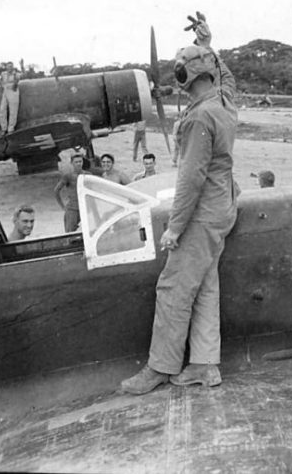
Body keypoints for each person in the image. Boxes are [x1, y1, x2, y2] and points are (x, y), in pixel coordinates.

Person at [121, 42, 238, 395]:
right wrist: (209, 44)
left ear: (187, 75)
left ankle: (160, 366)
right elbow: (228, 78)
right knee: (204, 285)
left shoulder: (200, 116)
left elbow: (191, 178)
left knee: (173, 289)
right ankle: (204, 364)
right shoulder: (223, 101)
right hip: (223, 207)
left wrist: (175, 227)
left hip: (202, 215)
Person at [54, 154, 90, 233]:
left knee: (89, 232)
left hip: (85, 207)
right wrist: (63, 206)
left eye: (80, 161)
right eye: (76, 162)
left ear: (83, 162)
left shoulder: (88, 175)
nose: (78, 164)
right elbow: (56, 190)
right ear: (72, 163)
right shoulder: (68, 176)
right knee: (69, 233)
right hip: (72, 208)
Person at [0, 61, 21, 133]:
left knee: (13, 111)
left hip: (13, 92)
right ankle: (3, 128)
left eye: (11, 66)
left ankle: (11, 128)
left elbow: (16, 83)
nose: (9, 68)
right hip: (5, 91)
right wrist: (3, 86)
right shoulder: (3, 74)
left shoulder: (16, 74)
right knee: (2, 110)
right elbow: (0, 81)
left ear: (13, 67)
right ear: (6, 67)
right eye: (8, 66)